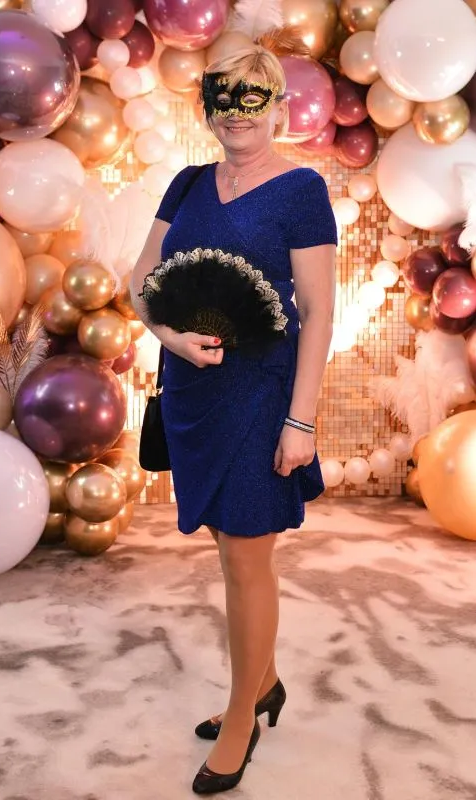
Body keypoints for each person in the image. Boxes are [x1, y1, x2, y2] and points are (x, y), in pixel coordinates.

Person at [130, 45, 337, 795]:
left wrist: (300, 421)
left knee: (249, 558)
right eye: (223, 97)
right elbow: (141, 280)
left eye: (253, 97)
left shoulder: (302, 190)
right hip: (192, 389)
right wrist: (170, 336)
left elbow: (318, 312)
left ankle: (242, 718)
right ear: (208, 107)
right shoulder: (187, 183)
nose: (235, 112)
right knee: (227, 547)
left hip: (260, 396)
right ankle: (266, 681)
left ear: (278, 106)